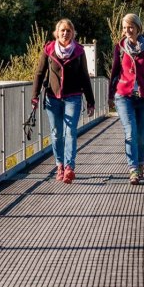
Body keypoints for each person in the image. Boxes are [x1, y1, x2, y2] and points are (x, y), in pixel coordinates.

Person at [31, 18, 96, 184]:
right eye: (62, 31)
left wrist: (90, 101)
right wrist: (35, 95)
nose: (65, 33)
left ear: (73, 33)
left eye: (68, 31)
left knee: (70, 131)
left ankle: (69, 168)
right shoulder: (48, 50)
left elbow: (84, 76)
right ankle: (59, 165)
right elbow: (39, 73)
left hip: (73, 97)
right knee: (56, 133)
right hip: (52, 98)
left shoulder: (79, 51)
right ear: (56, 33)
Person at [108, 13, 144, 186]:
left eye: (130, 27)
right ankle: (132, 169)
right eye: (124, 28)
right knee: (130, 132)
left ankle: (140, 164)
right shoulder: (119, 47)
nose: (127, 31)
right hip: (124, 96)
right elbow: (115, 71)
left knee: (141, 135)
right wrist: (110, 94)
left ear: (138, 28)